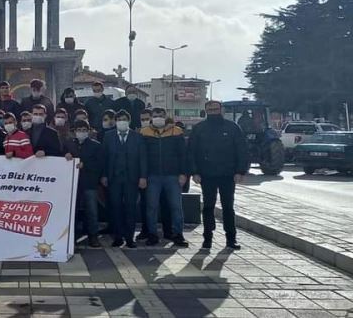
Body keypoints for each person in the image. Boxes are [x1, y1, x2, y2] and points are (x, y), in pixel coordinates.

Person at [189, 101, 248, 250]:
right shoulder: (199, 129)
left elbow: (241, 150)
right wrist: (194, 172)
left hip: (228, 175)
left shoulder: (232, 127)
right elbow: (191, 152)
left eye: (216, 109)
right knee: (208, 206)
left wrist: (240, 171)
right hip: (206, 175)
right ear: (206, 111)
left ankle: (231, 239)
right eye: (210, 109)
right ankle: (207, 238)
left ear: (221, 110)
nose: (213, 112)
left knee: (228, 207)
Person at [140, 108, 189, 247]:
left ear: (165, 117)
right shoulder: (144, 132)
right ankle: (152, 234)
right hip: (152, 177)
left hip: (172, 176)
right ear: (151, 117)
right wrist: (143, 176)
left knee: (176, 207)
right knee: (151, 207)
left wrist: (183, 174)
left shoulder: (176, 132)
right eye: (155, 116)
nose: (158, 118)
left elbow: (183, 155)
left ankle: (178, 234)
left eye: (160, 116)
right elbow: (142, 157)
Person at [101, 110, 148, 248]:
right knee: (115, 208)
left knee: (130, 208)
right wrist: (104, 175)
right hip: (114, 178)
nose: (121, 121)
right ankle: (118, 237)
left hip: (131, 178)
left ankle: (129, 238)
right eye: (119, 119)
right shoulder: (108, 136)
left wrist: (143, 177)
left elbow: (143, 159)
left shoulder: (137, 137)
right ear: (115, 121)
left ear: (129, 121)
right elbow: (104, 158)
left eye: (124, 119)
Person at [71, 120, 104, 248]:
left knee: (92, 210)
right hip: (73, 183)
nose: (81, 132)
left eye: (84, 130)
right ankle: (71, 237)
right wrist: (66, 155)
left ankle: (93, 236)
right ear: (74, 131)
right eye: (79, 130)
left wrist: (86, 165)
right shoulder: (69, 144)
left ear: (89, 131)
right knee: (72, 211)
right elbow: (62, 157)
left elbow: (100, 163)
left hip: (90, 182)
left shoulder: (96, 145)